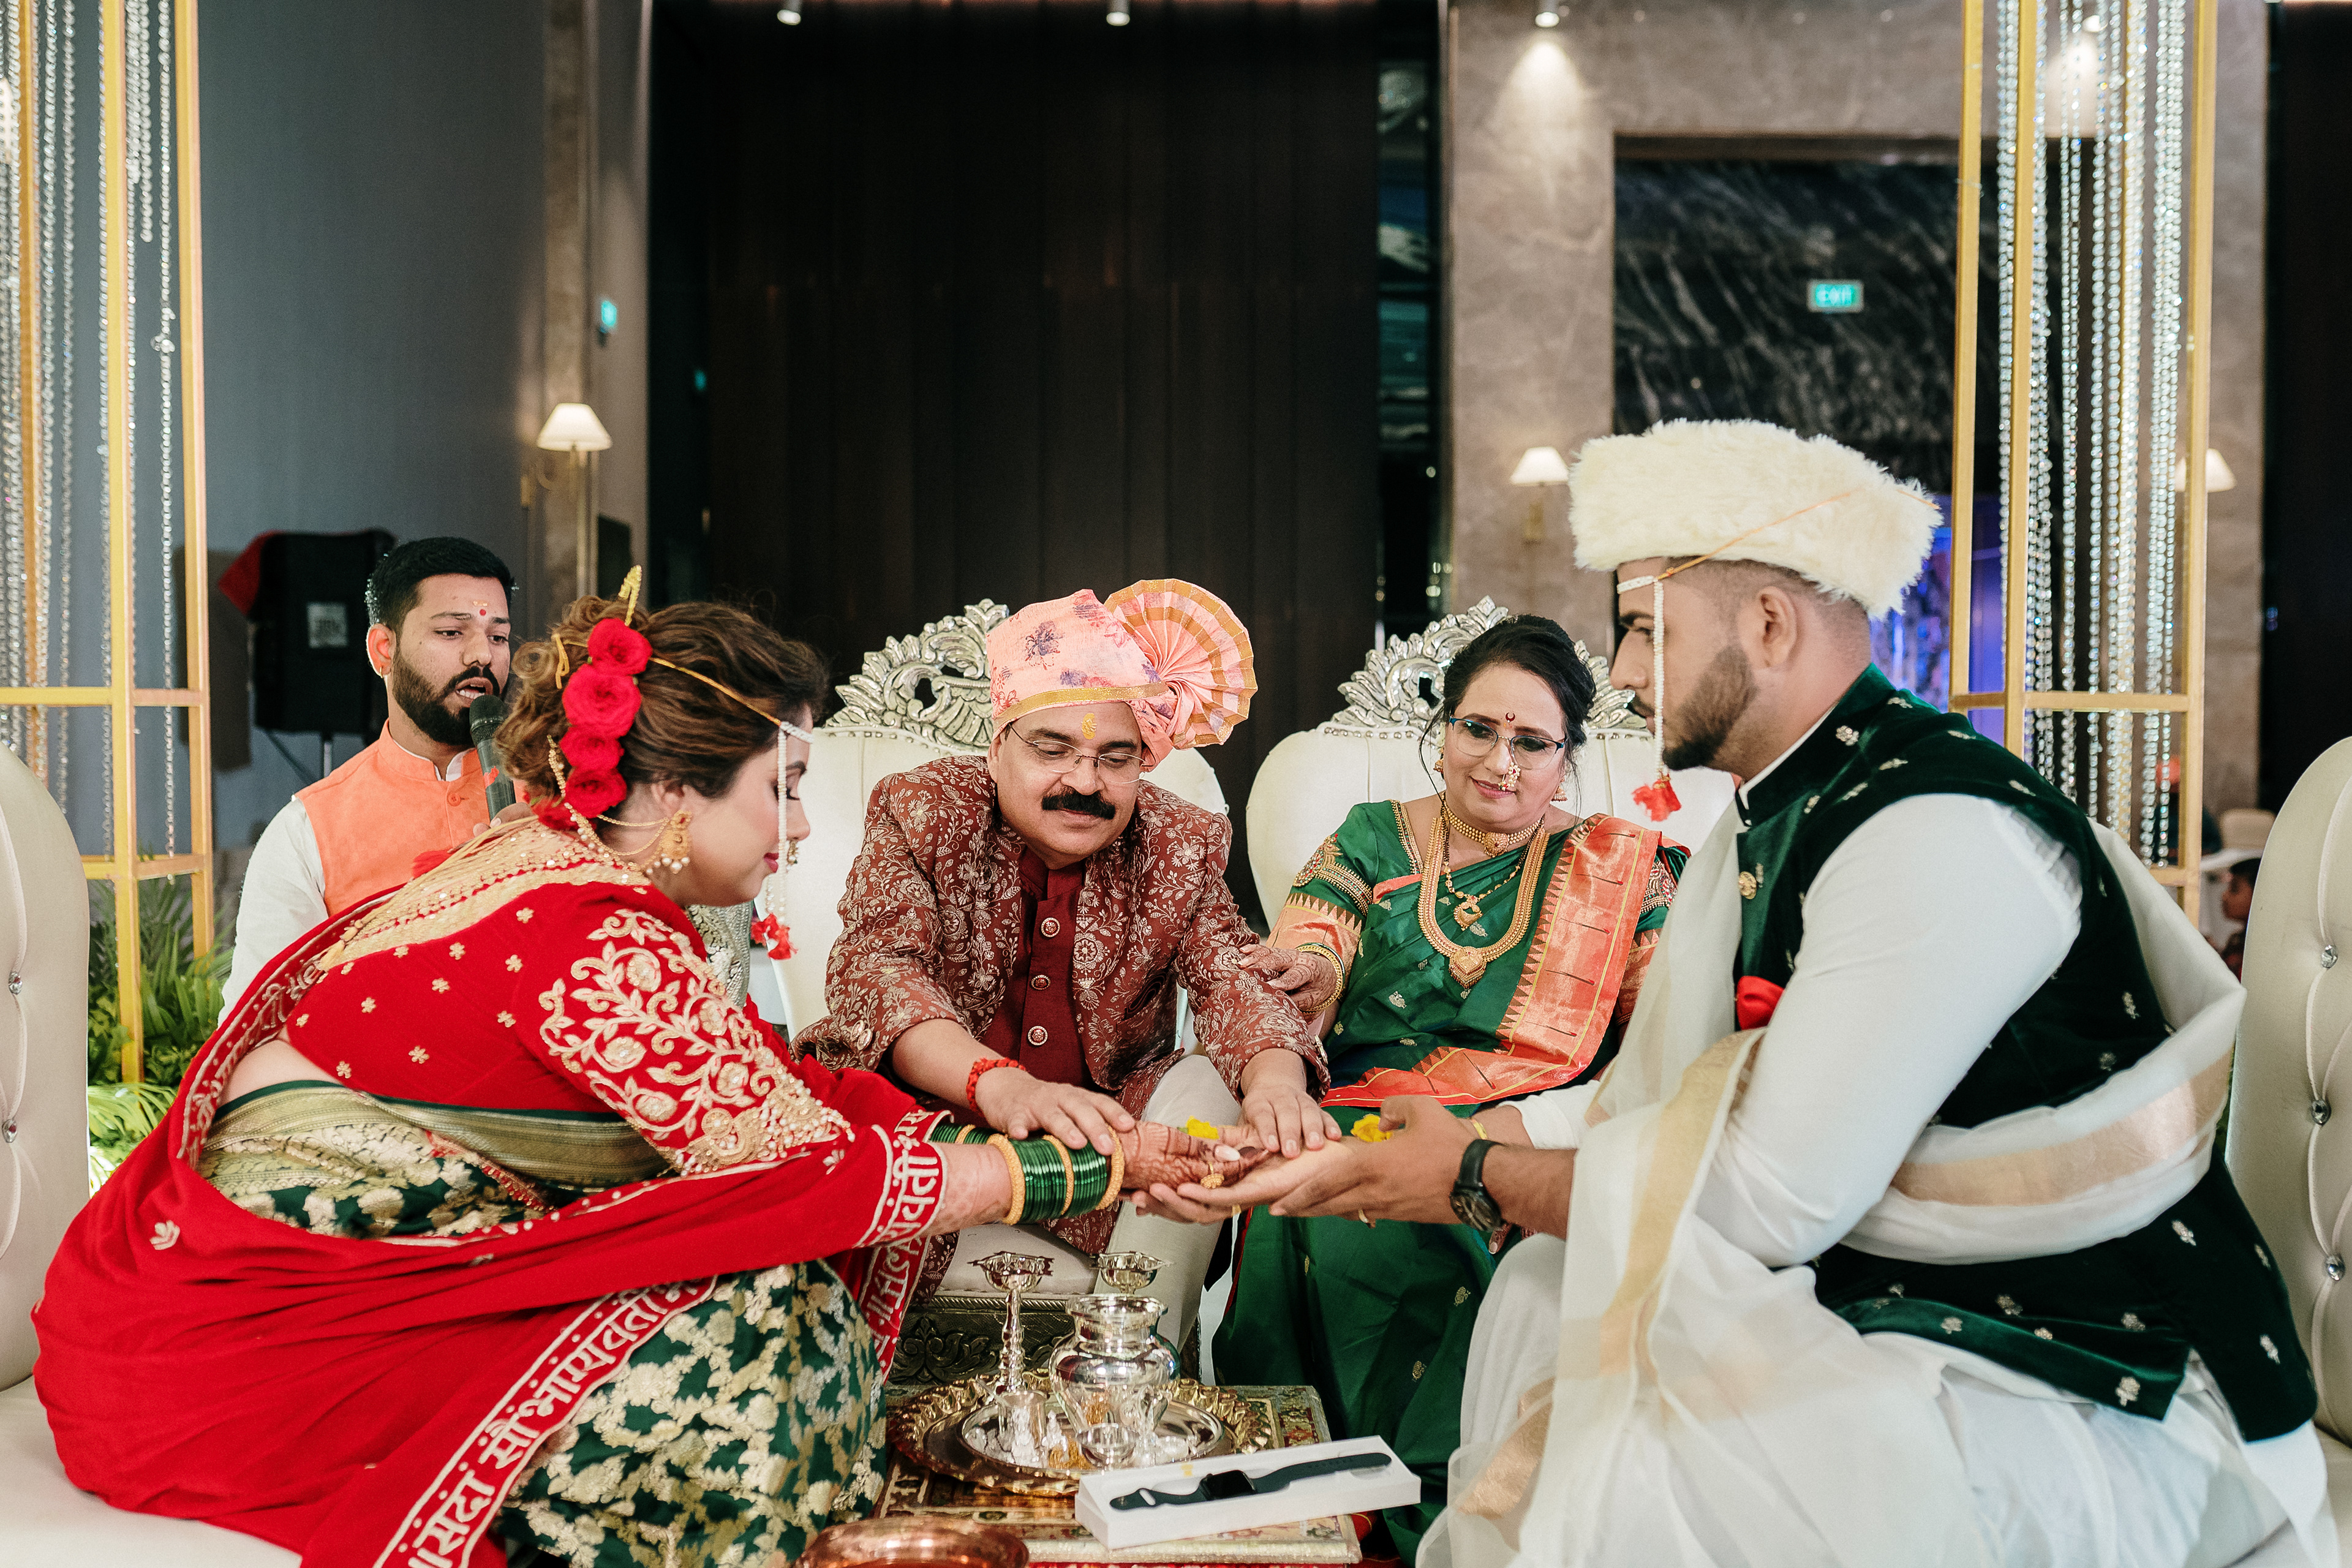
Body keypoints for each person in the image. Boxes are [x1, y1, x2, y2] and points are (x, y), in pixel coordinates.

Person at [1183, 421, 2329, 1567]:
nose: (1625, 675)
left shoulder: (1931, 827)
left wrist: (1472, 1174)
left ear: (1769, 625)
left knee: (1642, 1462)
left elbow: (1772, 1201)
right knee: (1538, 1289)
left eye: (1646, 628)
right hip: (1898, 1288)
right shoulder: (1775, 812)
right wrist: (1428, 1143)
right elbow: (1657, 1095)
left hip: (2083, 1366)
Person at [37, 584, 1240, 1568]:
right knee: (764, 1324)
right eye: (782, 789)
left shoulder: (544, 860)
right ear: (673, 793)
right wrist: (1089, 1166)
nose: (800, 829)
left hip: (248, 1292)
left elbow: (767, 1089)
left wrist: (1028, 1134)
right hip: (254, 1342)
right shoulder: (591, 936)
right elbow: (804, 1176)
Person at [1191, 614, 1681, 1561]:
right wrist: (1312, 975)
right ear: (1444, 728)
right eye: (1478, 730)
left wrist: (1538, 1126)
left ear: (1567, 757)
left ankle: (1448, 1509)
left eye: (1532, 742)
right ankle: (1297, 1494)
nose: (1500, 762)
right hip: (1368, 1113)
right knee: (1319, 1195)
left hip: (1529, 1128)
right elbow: (1312, 940)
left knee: (1472, 1216)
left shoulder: (1628, 869)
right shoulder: (1372, 838)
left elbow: (1668, 1034)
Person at [798, 579, 1327, 1347]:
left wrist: (1276, 1083)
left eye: (1116, 758)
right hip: (940, 1127)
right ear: (997, 748)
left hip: (1117, 1145)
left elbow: (1231, 975)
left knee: (1219, 1083)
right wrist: (999, 1083)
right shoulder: (922, 808)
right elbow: (881, 972)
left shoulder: (1179, 840)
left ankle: (1132, 1358)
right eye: (1053, 749)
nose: (1085, 782)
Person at [225, 537, 516, 1006]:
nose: (481, 656)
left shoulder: (564, 796)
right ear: (383, 650)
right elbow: (260, 1019)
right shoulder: (307, 833)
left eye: (498, 637)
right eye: (451, 633)